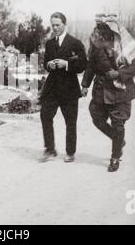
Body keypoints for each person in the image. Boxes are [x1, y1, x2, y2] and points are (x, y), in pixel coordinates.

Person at [81, 13, 135, 172]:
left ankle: (115, 156)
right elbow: (91, 66)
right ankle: (118, 140)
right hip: (101, 90)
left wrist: (119, 74)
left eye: (97, 35)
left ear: (106, 37)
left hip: (120, 91)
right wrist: (85, 84)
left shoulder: (124, 46)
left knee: (118, 124)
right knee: (96, 117)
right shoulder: (96, 48)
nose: (94, 38)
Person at [40, 12, 87, 162]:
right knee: (45, 116)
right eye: (52, 25)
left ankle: (70, 152)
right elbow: (45, 63)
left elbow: (83, 65)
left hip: (69, 89)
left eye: (57, 25)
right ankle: (50, 149)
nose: (54, 28)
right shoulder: (49, 43)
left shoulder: (75, 43)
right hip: (52, 87)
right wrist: (49, 64)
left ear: (64, 25)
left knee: (70, 121)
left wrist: (66, 64)